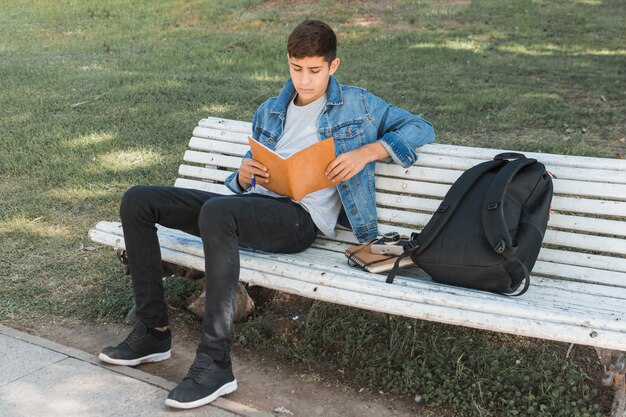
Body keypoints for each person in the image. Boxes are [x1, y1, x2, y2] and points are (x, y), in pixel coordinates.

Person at [99, 19, 435, 410]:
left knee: (217, 213)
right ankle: (152, 332)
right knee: (139, 200)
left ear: (333, 66)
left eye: (314, 71)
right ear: (288, 62)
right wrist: (242, 176)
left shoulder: (360, 105)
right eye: (296, 69)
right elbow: (255, 161)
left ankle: (215, 364)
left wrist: (366, 153)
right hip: (250, 207)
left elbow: (420, 126)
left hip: (299, 221)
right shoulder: (271, 111)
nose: (304, 81)